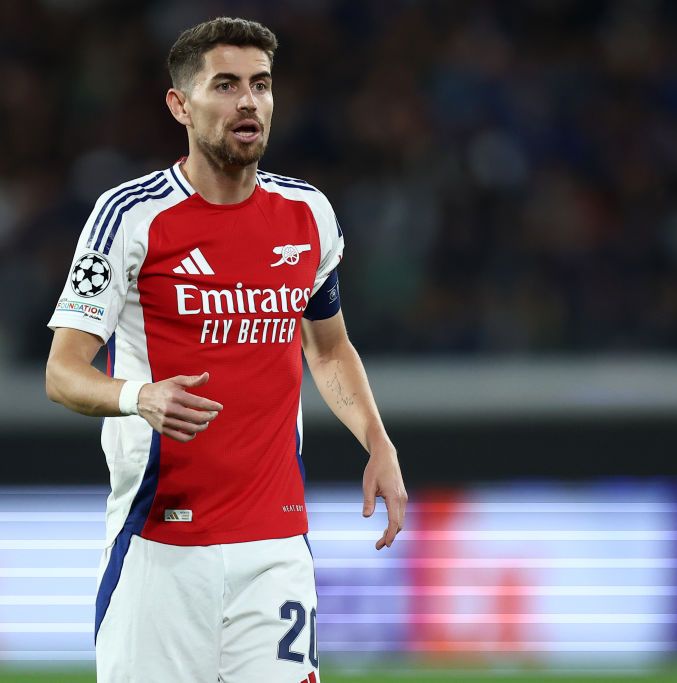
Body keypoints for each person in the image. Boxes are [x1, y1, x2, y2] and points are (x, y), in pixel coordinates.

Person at [43, 16, 407, 682]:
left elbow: (327, 349)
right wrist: (137, 396)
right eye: (227, 85)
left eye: (262, 85)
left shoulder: (308, 215)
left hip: (276, 549)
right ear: (181, 105)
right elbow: (63, 372)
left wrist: (377, 441)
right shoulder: (129, 217)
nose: (249, 101)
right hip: (160, 548)